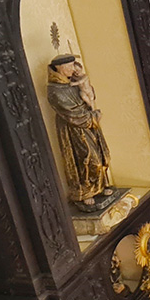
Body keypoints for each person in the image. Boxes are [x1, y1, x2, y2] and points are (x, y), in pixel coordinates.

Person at [47, 54, 113, 210]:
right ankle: (85, 192)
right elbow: (71, 113)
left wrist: (85, 86)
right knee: (87, 159)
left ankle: (101, 185)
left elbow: (89, 95)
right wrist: (93, 117)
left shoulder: (72, 82)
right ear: (59, 68)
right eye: (69, 66)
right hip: (74, 129)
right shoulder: (54, 90)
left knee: (102, 154)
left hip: (89, 123)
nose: (73, 69)